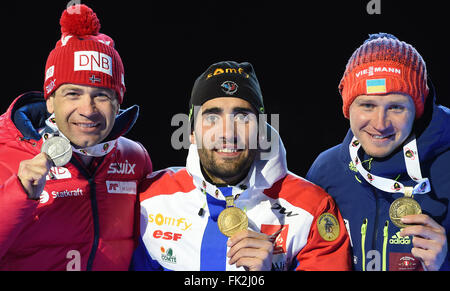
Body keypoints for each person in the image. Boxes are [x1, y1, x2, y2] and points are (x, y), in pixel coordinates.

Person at [131, 61, 351, 271]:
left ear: (262, 131)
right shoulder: (150, 198)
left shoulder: (312, 209)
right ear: (191, 133)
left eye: (243, 117)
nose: (227, 133)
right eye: (212, 118)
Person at [0, 4, 152, 270]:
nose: (87, 110)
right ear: (50, 100)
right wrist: (19, 194)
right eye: (73, 94)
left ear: (118, 104)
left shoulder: (135, 158)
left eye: (102, 96)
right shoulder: (5, 152)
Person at [306, 33, 449, 271]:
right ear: (348, 107)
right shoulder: (326, 170)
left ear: (418, 110)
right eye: (368, 105)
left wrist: (443, 264)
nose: (380, 123)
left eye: (396, 107)